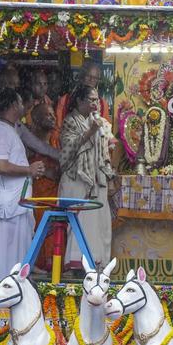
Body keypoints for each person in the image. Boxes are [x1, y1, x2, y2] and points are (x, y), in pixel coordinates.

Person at [0, 89, 46, 281]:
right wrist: (29, 170)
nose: (23, 106)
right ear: (12, 106)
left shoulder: (9, 129)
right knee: (5, 255)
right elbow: (1, 166)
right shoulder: (1, 131)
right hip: (7, 206)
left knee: (17, 253)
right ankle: (3, 293)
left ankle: (15, 291)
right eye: (20, 103)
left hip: (15, 204)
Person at [58, 85, 116, 269]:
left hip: (97, 179)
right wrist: (90, 131)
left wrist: (110, 176)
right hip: (78, 179)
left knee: (101, 224)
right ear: (79, 101)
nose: (95, 103)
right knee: (80, 225)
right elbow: (68, 150)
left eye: (97, 99)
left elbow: (108, 149)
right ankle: (77, 267)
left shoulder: (100, 122)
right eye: (91, 100)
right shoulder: (70, 121)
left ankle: (98, 266)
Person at [26, 101, 61, 272]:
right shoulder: (29, 141)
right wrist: (44, 171)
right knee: (40, 225)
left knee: (56, 226)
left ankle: (54, 266)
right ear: (36, 119)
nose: (53, 117)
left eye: (53, 114)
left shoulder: (58, 139)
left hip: (55, 191)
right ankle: (38, 265)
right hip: (37, 192)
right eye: (47, 114)